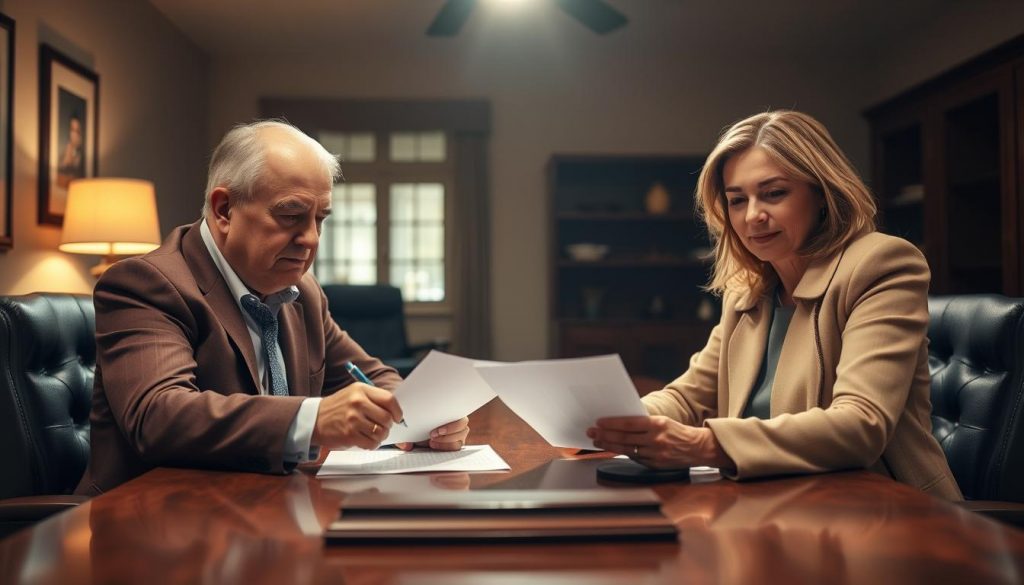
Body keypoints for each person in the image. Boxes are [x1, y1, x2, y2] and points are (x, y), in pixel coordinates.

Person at [76, 120, 469, 495]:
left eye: (320, 219)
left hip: (265, 512)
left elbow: (371, 376)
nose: (311, 239)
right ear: (224, 210)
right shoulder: (146, 284)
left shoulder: (303, 293)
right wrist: (313, 419)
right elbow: (158, 416)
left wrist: (421, 418)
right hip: (153, 528)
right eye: (291, 216)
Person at [587, 110, 961, 500]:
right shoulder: (747, 291)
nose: (752, 216)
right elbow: (689, 396)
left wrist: (703, 446)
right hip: (774, 503)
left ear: (821, 193)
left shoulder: (881, 265)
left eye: (774, 193)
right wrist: (616, 422)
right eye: (736, 200)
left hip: (887, 512)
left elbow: (859, 425)